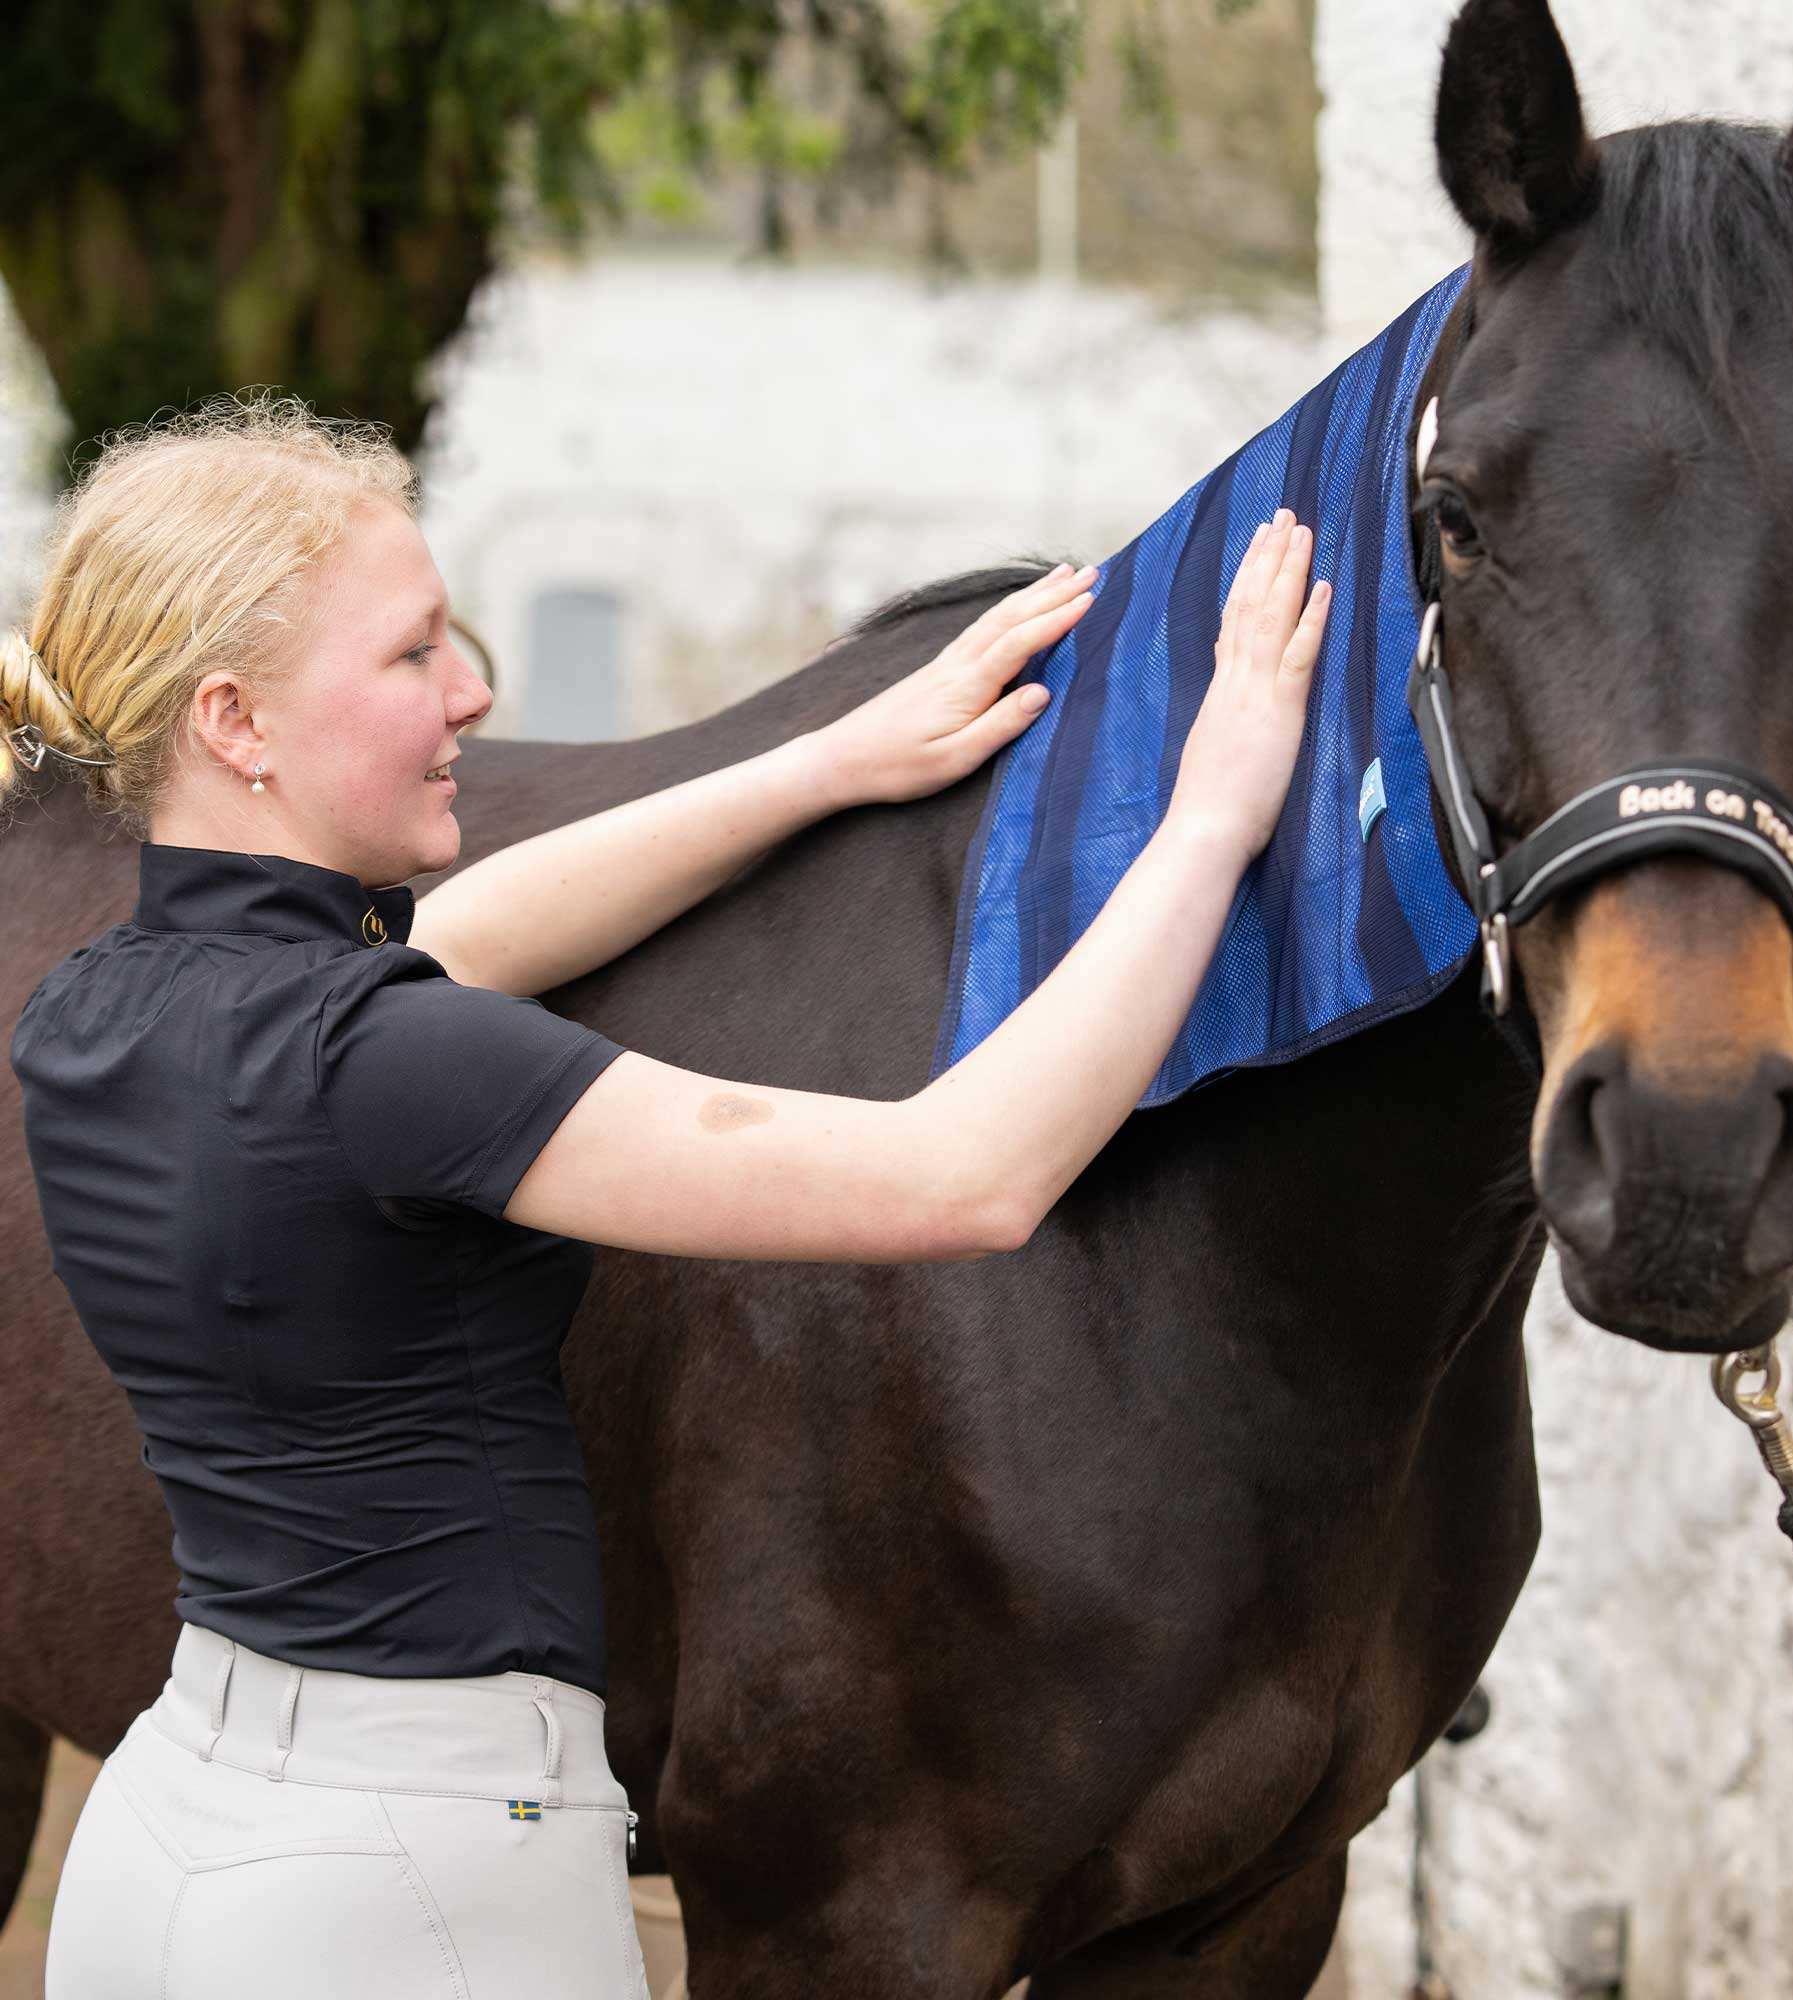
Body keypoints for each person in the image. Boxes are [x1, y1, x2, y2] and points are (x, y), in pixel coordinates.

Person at [3, 392, 1329, 1997]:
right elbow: (970, 1174)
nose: (472, 689)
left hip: (169, 1842)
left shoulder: (98, 1009)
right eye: (413, 653)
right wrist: (1212, 817)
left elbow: (468, 932)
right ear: (237, 723)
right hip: (424, 1883)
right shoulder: (388, 1063)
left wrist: (827, 763)